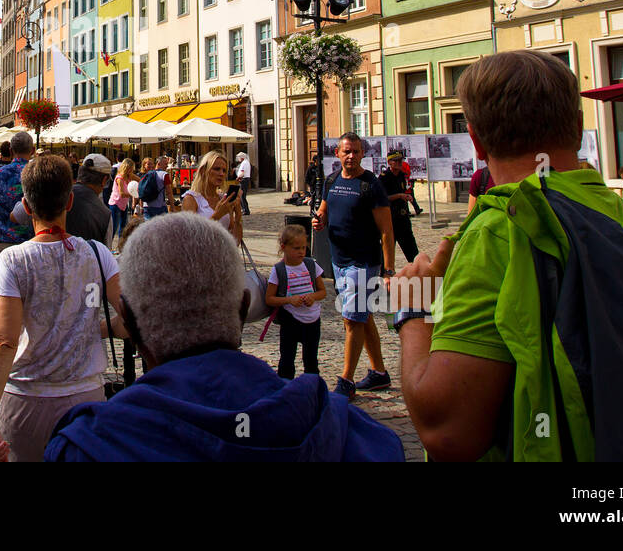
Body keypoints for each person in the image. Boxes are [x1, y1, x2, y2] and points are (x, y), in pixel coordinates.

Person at [396, 50, 623, 461]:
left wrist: (414, 311)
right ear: (578, 128)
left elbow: (447, 433)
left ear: (475, 140)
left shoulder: (498, 233)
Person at [44, 214, 403, 462]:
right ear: (244, 305)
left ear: (131, 321)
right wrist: (414, 325)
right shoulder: (345, 430)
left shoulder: (90, 445)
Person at [0, 154, 126, 462]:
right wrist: (95, 327)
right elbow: (131, 318)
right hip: (85, 399)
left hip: (28, 399)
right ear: (69, 202)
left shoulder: (15, 260)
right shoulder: (98, 254)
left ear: (27, 206)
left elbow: (3, 340)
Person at [312, 133, 394, 400]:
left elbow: (387, 231)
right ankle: (379, 373)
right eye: (347, 152)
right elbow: (324, 209)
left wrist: (389, 270)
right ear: (338, 153)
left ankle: (346, 380)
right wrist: (319, 220)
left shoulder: (371, 185)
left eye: (356, 152)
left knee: (351, 319)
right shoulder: (332, 180)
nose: (352, 156)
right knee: (362, 316)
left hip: (363, 262)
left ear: (362, 154)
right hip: (339, 261)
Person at [264, 224, 326, 380]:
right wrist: (289, 300)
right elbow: (269, 298)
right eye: (296, 248)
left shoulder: (311, 265)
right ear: (284, 247)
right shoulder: (279, 270)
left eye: (303, 248)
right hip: (291, 320)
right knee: (287, 360)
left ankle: (312, 389)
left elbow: (322, 291)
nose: (301, 252)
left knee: (311, 360)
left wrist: (313, 297)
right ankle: (285, 390)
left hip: (312, 319)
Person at [0, 132, 34, 281]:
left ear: (10, 150)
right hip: (31, 247)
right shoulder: (39, 175)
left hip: (0, 244)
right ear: (33, 150)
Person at [181, 151, 243, 246]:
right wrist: (217, 215)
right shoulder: (191, 199)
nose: (221, 174)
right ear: (203, 171)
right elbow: (191, 238)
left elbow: (235, 243)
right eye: (217, 169)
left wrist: (238, 217)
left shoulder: (223, 199)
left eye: (224, 170)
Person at [379, 151, 420, 263]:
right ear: (389, 162)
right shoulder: (384, 178)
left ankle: (418, 273)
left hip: (403, 218)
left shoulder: (402, 175)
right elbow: (382, 198)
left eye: (400, 160)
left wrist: (407, 197)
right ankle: (384, 276)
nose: (399, 163)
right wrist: (399, 196)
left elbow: (404, 189)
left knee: (412, 253)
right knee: (386, 254)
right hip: (390, 220)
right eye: (396, 161)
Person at [140, 156, 173, 221]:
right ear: (158, 164)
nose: (167, 166)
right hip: (159, 207)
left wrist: (141, 206)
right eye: (165, 164)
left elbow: (142, 190)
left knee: (149, 228)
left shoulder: (147, 174)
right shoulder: (164, 174)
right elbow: (169, 192)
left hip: (146, 206)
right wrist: (172, 206)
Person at [108, 159, 134, 238]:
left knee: (123, 227)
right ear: (126, 168)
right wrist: (133, 194)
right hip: (116, 204)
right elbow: (122, 194)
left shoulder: (129, 176)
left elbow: (140, 180)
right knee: (114, 228)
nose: (132, 170)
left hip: (123, 205)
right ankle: (109, 246)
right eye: (131, 168)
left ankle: (120, 246)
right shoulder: (120, 178)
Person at [235, 152, 253, 216]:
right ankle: (245, 209)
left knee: (242, 195)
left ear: (242, 158)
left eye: (239, 158)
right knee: (242, 195)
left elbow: (242, 172)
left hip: (243, 179)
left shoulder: (244, 163)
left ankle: (245, 210)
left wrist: (238, 177)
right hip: (245, 179)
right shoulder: (246, 162)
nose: (238, 159)